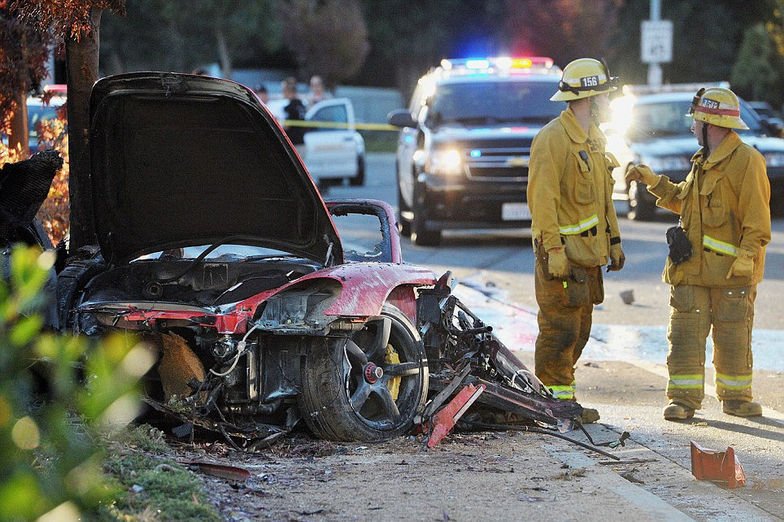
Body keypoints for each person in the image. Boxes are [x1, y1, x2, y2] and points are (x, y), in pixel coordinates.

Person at [626, 87, 771, 420]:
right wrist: (653, 181)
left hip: (730, 273)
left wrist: (747, 256)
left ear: (711, 124)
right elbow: (685, 202)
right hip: (691, 270)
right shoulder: (702, 162)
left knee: (733, 336)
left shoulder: (747, 162)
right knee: (685, 335)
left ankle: (736, 398)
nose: (692, 126)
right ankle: (683, 400)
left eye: (696, 121)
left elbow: (757, 222)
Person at [527, 58, 625, 424]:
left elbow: (604, 199)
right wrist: (552, 249)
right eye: (604, 96)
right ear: (590, 98)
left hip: (587, 260)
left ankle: (559, 401)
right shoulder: (552, 140)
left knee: (580, 332)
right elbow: (543, 201)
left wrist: (613, 241)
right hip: (562, 259)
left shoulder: (594, 140)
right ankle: (552, 406)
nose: (608, 102)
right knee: (559, 333)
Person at [280, 77, 307, 145]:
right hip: (301, 141)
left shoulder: (290, 107)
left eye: (284, 91)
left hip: (293, 143)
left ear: (289, 92)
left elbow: (287, 126)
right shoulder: (301, 104)